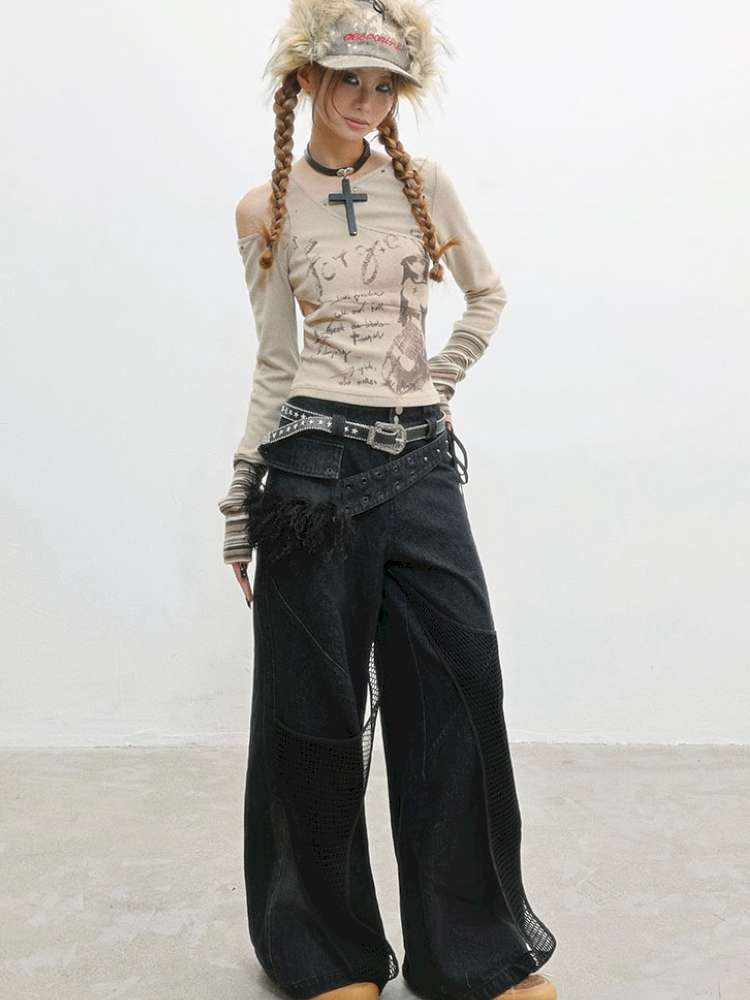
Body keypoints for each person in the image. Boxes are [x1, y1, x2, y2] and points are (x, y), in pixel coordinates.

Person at [217, 2, 558, 998]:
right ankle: (327, 953)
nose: (365, 101)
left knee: (461, 689)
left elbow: (488, 294)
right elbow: (274, 361)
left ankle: (476, 951)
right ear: (305, 79)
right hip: (309, 472)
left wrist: (436, 378)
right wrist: (240, 500)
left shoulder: (425, 185)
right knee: (310, 713)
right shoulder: (264, 208)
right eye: (347, 80)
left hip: (418, 468)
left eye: (383, 85)